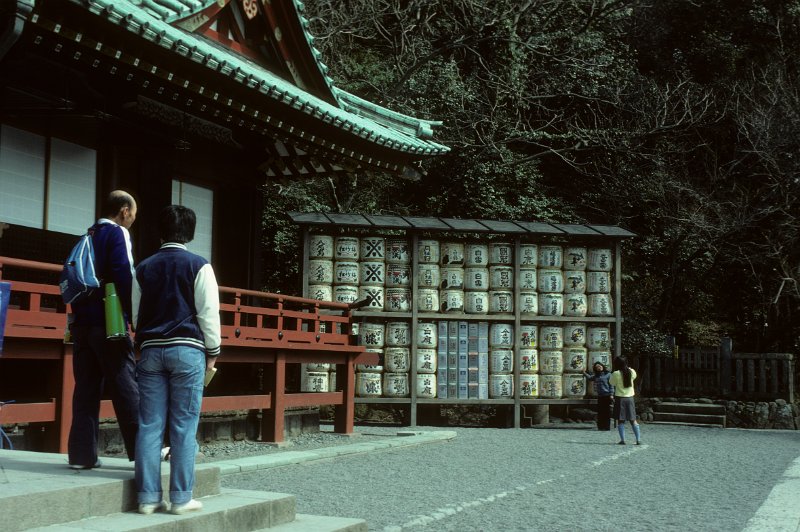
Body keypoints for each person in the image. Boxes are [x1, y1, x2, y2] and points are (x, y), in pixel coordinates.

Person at [132, 205, 221, 515]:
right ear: (191, 233)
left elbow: (135, 313)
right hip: (187, 349)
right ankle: (181, 498)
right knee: (184, 424)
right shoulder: (199, 265)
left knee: (149, 424)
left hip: (151, 349)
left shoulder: (143, 267)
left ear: (160, 231)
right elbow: (208, 313)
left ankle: (147, 497)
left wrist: (142, 342)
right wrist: (213, 350)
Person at [67, 190, 139, 469]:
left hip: (81, 322)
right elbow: (124, 274)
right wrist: (134, 318)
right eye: (133, 213)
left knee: (85, 388)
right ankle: (142, 451)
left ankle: (81, 456)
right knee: (125, 385)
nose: (132, 218)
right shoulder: (116, 233)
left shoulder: (87, 234)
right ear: (124, 210)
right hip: (109, 321)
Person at [609, 356, 641, 445]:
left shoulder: (616, 373)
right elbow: (634, 377)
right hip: (630, 398)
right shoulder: (632, 371)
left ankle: (623, 440)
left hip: (620, 398)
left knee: (621, 419)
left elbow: (611, 383)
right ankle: (638, 439)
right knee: (633, 419)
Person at [584, 361, 613, 431]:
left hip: (607, 395)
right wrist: (584, 373)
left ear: (602, 366)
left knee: (606, 412)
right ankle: (600, 426)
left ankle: (606, 427)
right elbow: (590, 378)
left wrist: (611, 394)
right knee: (600, 412)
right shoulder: (596, 376)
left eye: (599, 366)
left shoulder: (608, 374)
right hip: (600, 396)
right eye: (597, 367)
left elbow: (611, 385)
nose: (599, 368)